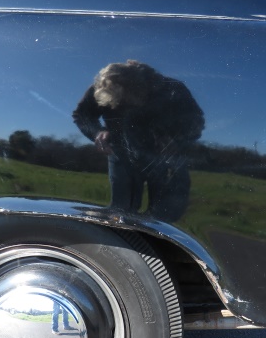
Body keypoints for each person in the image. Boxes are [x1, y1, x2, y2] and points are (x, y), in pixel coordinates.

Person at [73, 60, 204, 222]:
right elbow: (82, 115)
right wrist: (96, 132)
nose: (124, 109)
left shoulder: (172, 89)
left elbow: (196, 121)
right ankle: (122, 240)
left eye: (127, 102)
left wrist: (176, 141)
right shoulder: (104, 87)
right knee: (120, 211)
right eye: (118, 105)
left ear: (140, 88)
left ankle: (158, 242)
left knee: (163, 215)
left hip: (163, 156)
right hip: (121, 152)